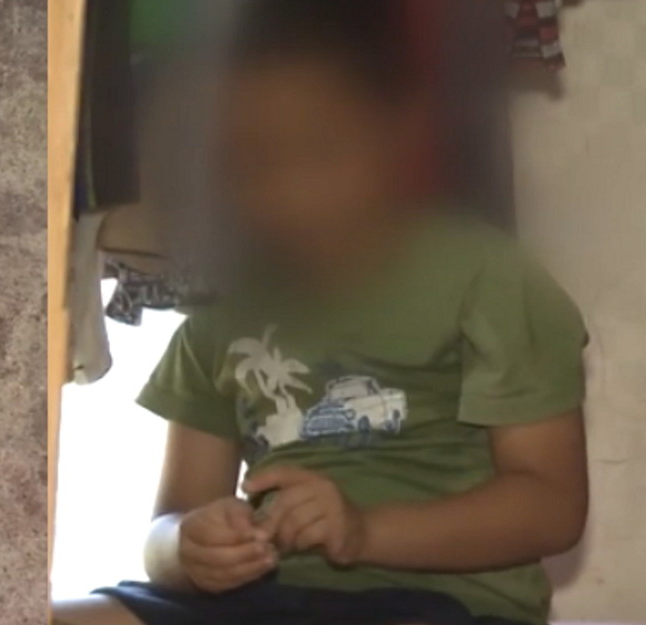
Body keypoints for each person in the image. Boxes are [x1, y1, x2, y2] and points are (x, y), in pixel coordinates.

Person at [52, 1, 588, 624]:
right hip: (261, 602)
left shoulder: (488, 278)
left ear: (398, 135)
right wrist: (188, 547)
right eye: (251, 161)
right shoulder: (222, 317)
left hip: (448, 605)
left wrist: (364, 532)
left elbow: (552, 507)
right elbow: (167, 530)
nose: (290, 191)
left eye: (321, 149)